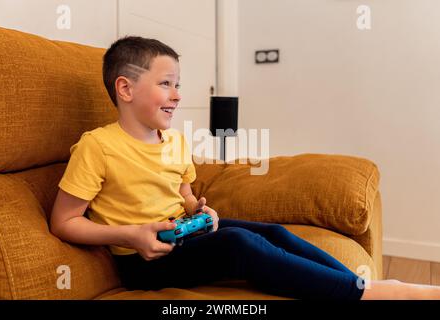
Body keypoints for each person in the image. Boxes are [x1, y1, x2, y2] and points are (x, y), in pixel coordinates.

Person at [50, 36, 440, 300]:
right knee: (239, 244)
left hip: (183, 236)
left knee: (271, 231)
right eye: (167, 83)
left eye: (178, 83)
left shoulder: (176, 142)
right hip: (142, 262)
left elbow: (182, 194)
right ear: (126, 89)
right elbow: (64, 222)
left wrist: (195, 209)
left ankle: (358, 283)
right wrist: (133, 235)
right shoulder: (97, 146)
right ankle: (368, 295)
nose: (178, 94)